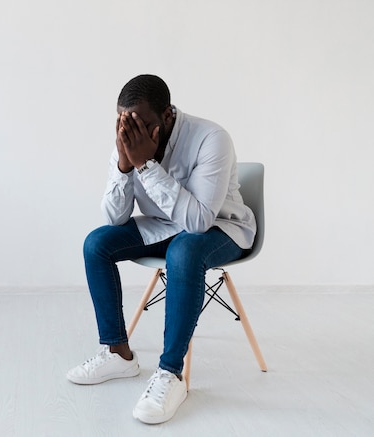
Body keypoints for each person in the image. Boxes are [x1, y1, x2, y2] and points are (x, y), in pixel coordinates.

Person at [66, 74, 256, 424]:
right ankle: (118, 353)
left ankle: (171, 374)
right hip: (165, 227)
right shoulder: (128, 141)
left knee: (185, 250)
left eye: (144, 123)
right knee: (96, 244)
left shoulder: (211, 138)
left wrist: (146, 165)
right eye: (127, 123)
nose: (135, 131)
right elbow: (114, 217)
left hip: (221, 227)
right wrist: (125, 166)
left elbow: (198, 221)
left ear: (167, 115)